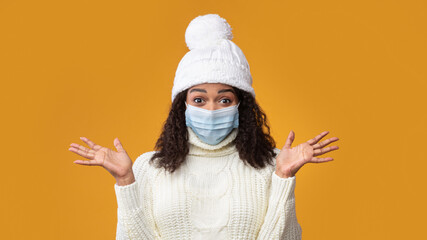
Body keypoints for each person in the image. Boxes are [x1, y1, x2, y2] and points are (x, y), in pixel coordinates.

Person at [68, 13, 340, 240]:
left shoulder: (271, 163)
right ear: (182, 105)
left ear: (241, 105)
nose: (211, 109)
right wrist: (126, 181)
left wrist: (283, 177)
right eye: (199, 99)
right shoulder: (147, 168)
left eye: (224, 99)